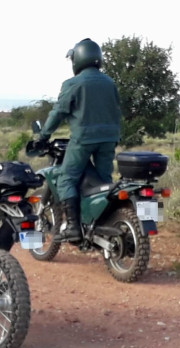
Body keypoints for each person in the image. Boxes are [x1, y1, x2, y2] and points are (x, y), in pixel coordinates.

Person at [34, 38, 121, 243]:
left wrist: (43, 136)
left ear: (78, 59)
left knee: (66, 179)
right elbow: (117, 111)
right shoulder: (110, 83)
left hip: (84, 140)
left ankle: (73, 227)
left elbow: (58, 112)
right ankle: (101, 223)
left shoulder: (74, 83)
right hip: (109, 139)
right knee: (102, 182)